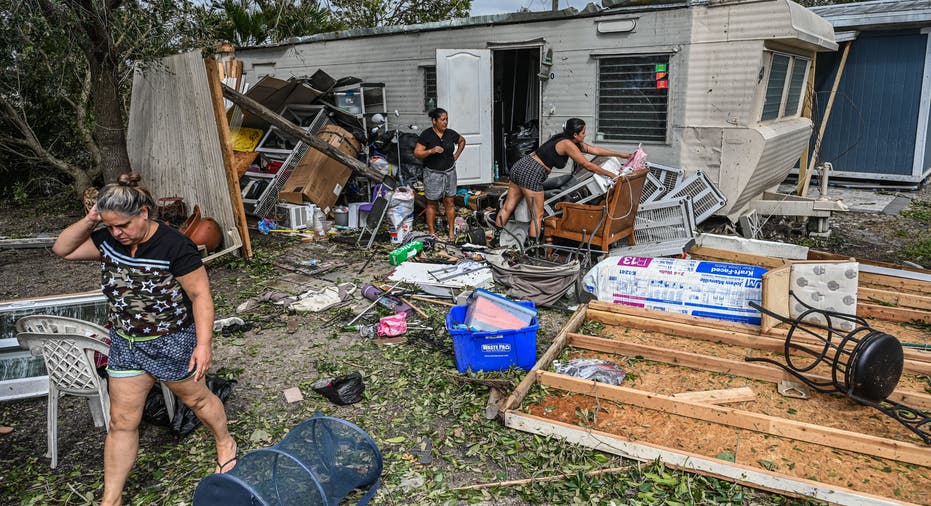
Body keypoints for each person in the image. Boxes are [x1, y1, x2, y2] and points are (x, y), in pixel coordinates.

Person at [52, 173, 236, 506]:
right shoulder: (108, 239)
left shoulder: (174, 245)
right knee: (121, 422)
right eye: (110, 226)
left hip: (171, 341)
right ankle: (112, 499)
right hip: (126, 344)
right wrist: (93, 217)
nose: (117, 233)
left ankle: (225, 442)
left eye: (122, 225)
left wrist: (203, 344)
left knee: (197, 401)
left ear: (144, 214)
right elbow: (62, 249)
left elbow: (200, 295)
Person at [495, 118, 632, 244]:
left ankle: (496, 240)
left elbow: (593, 150)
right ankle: (533, 248)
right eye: (583, 132)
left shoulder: (566, 139)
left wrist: (621, 155)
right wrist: (611, 174)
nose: (585, 135)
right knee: (538, 215)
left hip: (522, 165)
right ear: (575, 134)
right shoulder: (567, 144)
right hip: (532, 173)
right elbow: (587, 165)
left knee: (509, 205)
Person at [413, 107, 466, 241]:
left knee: (449, 201)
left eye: (446, 119)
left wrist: (456, 156)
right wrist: (431, 151)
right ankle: (432, 232)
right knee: (432, 203)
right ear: (434, 121)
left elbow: (462, 141)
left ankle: (451, 233)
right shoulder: (427, 135)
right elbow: (417, 153)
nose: (445, 122)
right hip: (432, 173)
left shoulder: (450, 134)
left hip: (449, 172)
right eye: (442, 119)